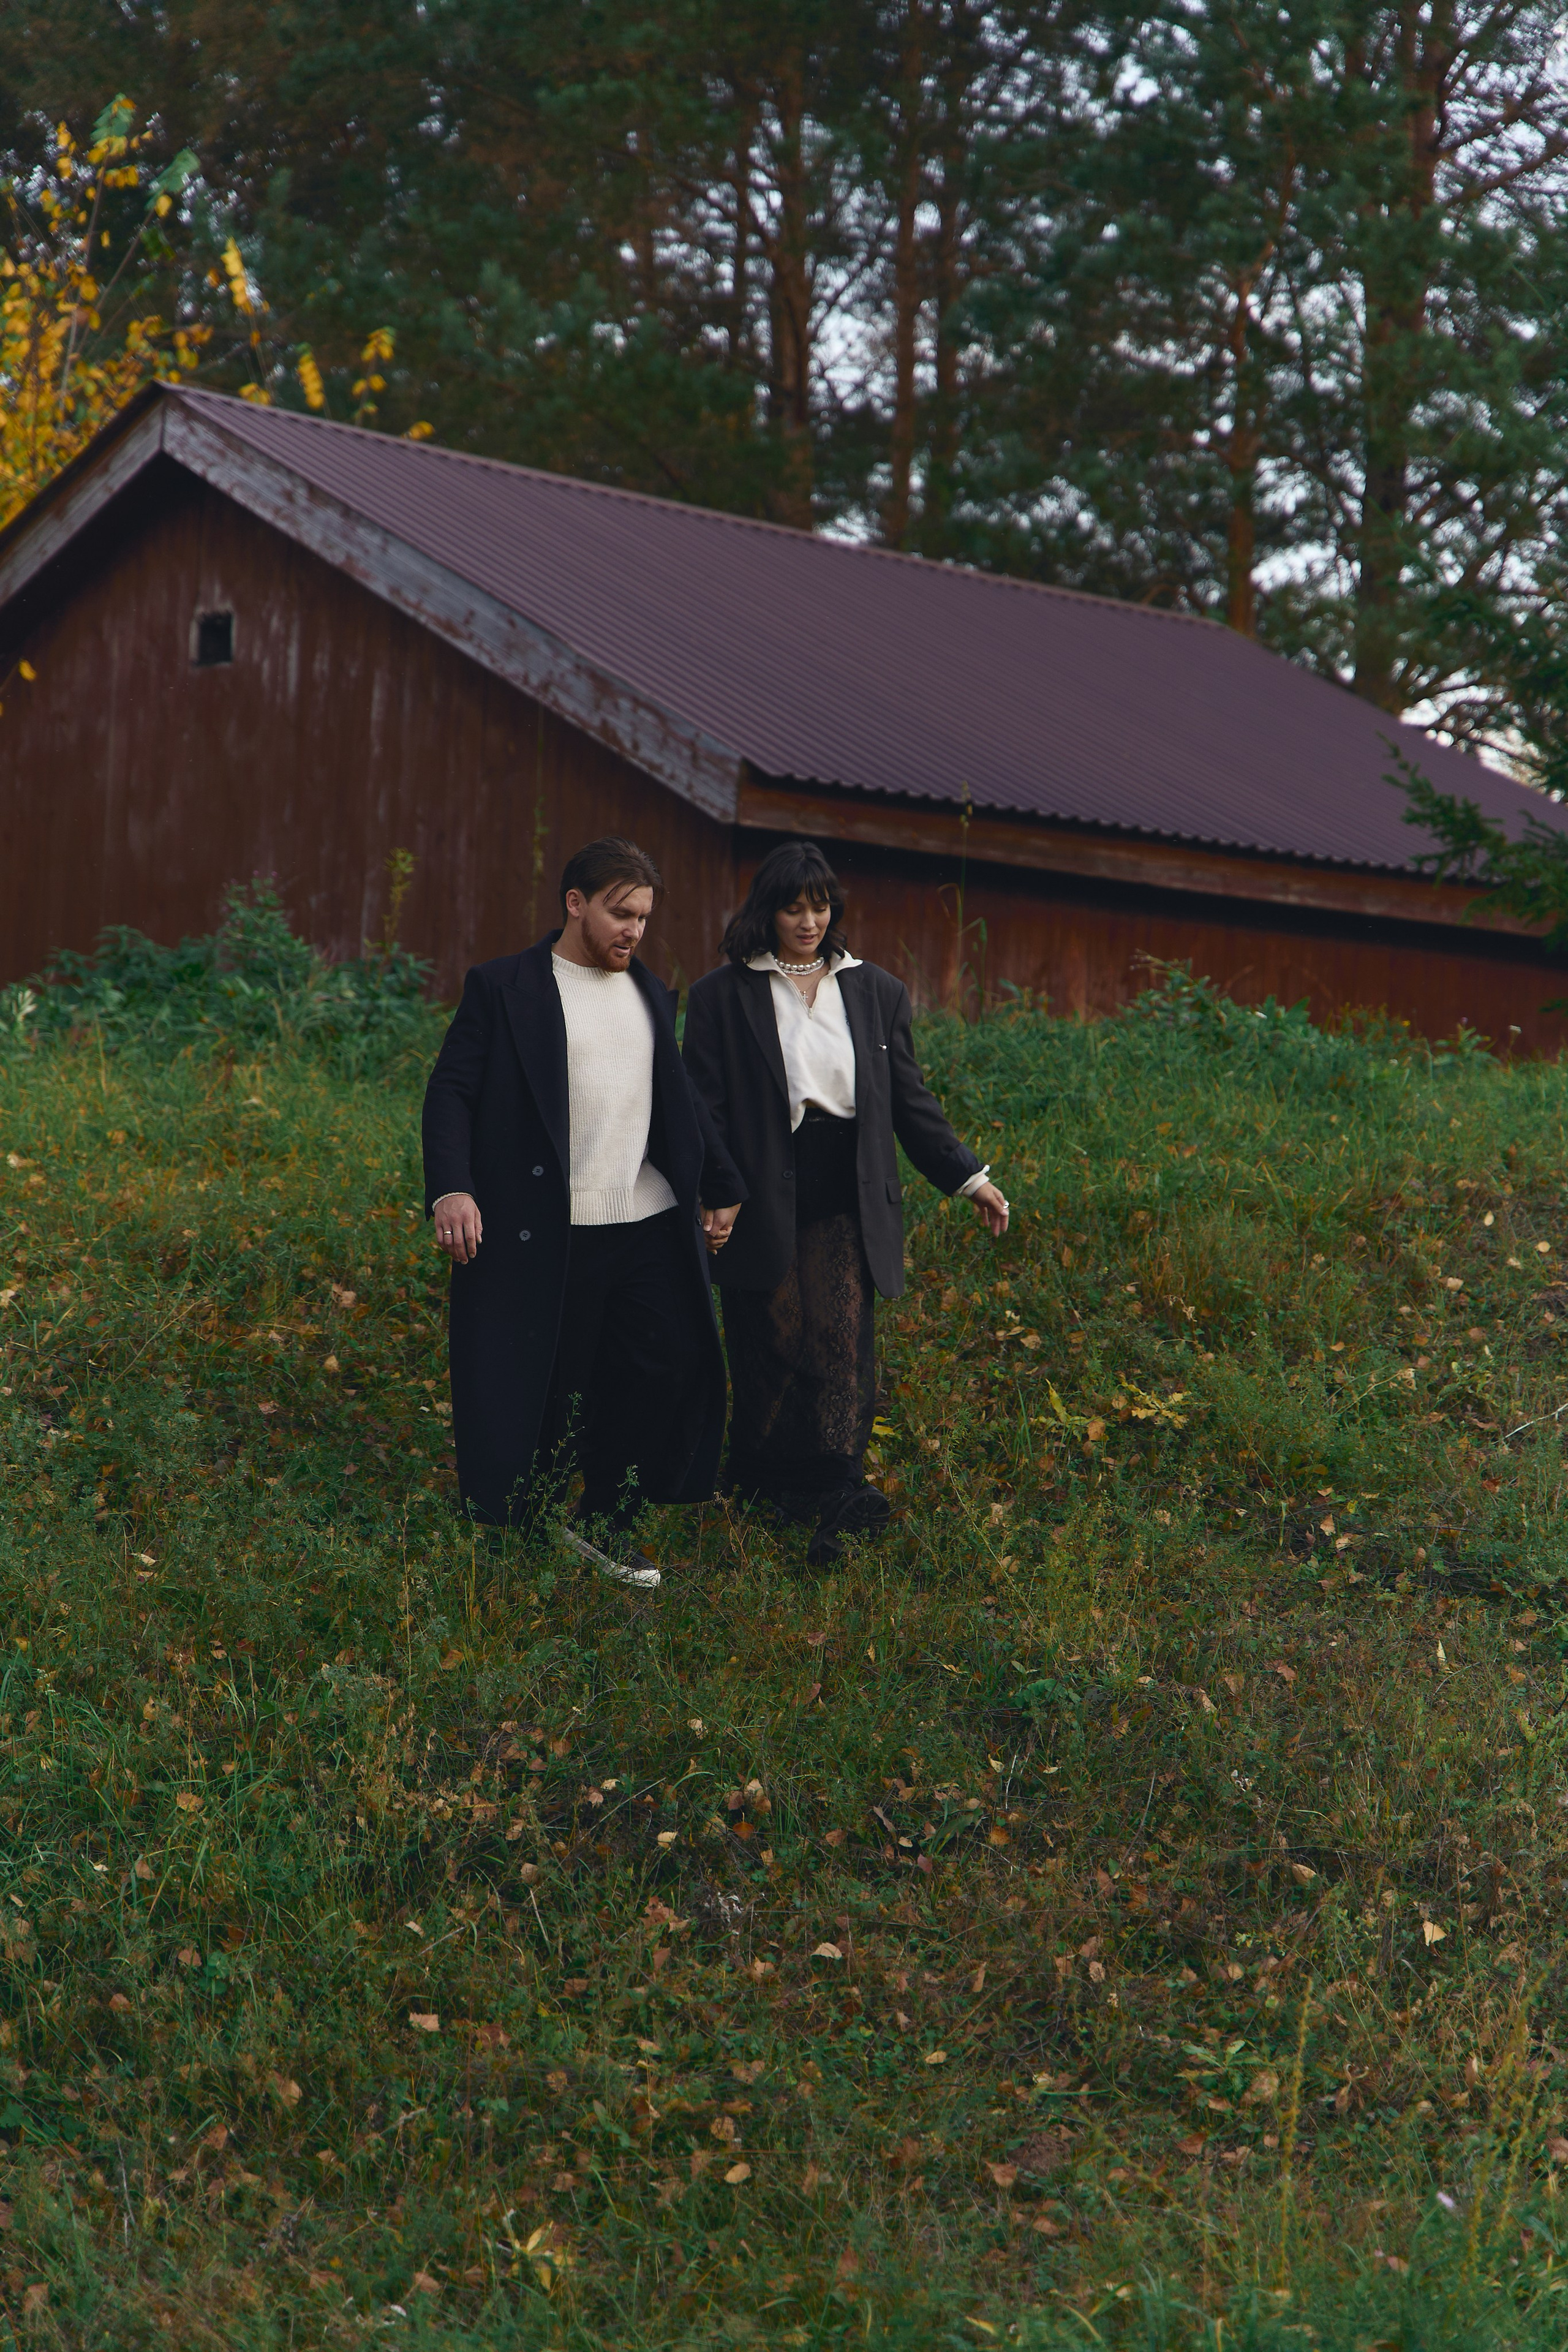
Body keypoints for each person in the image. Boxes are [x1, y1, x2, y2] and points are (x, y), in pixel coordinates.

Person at [421, 837, 745, 1588]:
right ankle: (523, 1528)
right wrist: (452, 1188)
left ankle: (607, 1519)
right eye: (619, 913)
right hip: (548, 1229)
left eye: (642, 917)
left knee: (660, 1368)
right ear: (575, 904)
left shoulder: (648, 993)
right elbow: (452, 1092)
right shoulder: (505, 988)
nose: (633, 930)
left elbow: (680, 1101)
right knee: (547, 1384)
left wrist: (720, 1183)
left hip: (646, 1223)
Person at [682, 839, 1008, 1564]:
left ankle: (835, 1487)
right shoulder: (720, 996)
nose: (808, 921)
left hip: (845, 1191)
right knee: (771, 1339)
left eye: (820, 906)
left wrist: (969, 1178)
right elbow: (700, 1107)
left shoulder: (876, 991)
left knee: (838, 1341)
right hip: (758, 1188)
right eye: (793, 907)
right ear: (767, 910)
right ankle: (764, 1487)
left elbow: (910, 1105)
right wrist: (719, 1192)